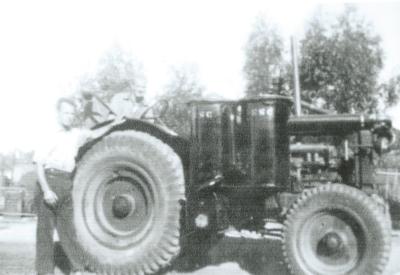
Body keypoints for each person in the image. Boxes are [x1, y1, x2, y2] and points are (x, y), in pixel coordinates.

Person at [34, 97, 122, 275]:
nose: (69, 117)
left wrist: (115, 123)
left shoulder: (76, 134)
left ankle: (78, 269)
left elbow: (95, 134)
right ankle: (44, 272)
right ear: (58, 114)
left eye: (72, 114)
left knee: (69, 231)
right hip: (49, 181)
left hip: (67, 182)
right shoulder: (49, 134)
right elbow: (38, 165)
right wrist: (46, 191)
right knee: (45, 234)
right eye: (66, 113)